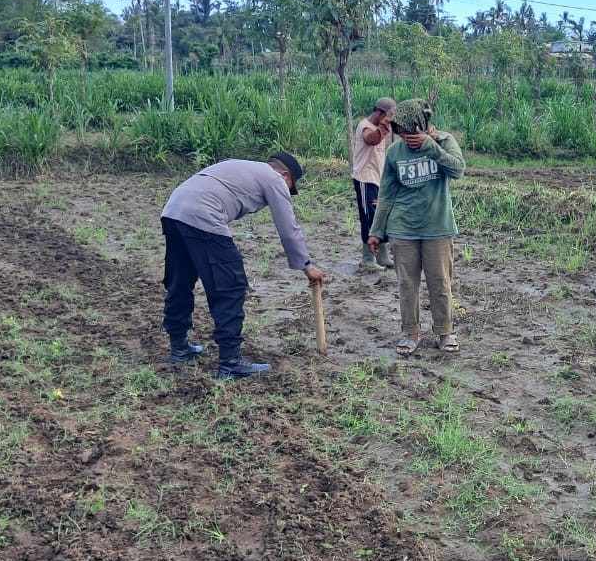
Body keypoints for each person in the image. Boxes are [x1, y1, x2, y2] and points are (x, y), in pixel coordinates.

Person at [160, 153, 326, 379]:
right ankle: (230, 363)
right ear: (285, 175)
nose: (288, 190)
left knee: (180, 280)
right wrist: (306, 265)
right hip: (204, 214)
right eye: (291, 186)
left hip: (173, 211)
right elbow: (288, 228)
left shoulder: (244, 166)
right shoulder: (274, 179)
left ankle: (179, 348)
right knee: (230, 286)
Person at [367, 99, 466, 355]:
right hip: (403, 229)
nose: (405, 137)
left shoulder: (444, 141)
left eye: (409, 132)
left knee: (440, 282)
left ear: (420, 125)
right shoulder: (395, 153)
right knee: (407, 285)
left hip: (437, 227)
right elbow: (386, 194)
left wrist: (430, 147)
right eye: (401, 132)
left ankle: (445, 331)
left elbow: (458, 170)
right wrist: (376, 231)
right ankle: (410, 332)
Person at [351, 97, 397, 272]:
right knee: (368, 218)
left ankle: (382, 256)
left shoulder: (380, 128)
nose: (389, 121)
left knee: (381, 217)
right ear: (379, 113)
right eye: (388, 116)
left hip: (378, 179)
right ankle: (367, 259)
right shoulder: (365, 126)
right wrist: (384, 127)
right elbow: (371, 139)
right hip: (365, 179)